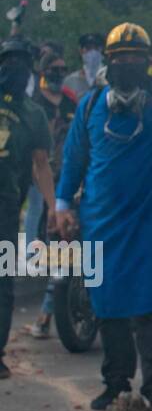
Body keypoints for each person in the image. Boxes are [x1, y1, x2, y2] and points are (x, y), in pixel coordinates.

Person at [55, 0, 152, 411]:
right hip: (101, 226)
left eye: (136, 58)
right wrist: (63, 206)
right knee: (110, 308)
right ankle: (115, 384)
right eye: (120, 58)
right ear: (108, 62)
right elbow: (73, 160)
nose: (128, 65)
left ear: (149, 62)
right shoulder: (89, 106)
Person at [0, 38, 56, 379]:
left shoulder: (33, 112)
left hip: (6, 207)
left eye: (21, 62)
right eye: (8, 61)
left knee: (3, 281)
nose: (14, 68)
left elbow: (41, 164)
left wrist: (53, 207)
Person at [24, 51, 77, 339]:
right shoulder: (35, 105)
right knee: (49, 242)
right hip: (42, 180)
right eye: (54, 69)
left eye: (63, 68)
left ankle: (46, 313)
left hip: (68, 182)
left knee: (64, 246)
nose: (59, 73)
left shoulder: (71, 103)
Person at [62, 33, 105, 101]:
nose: (92, 52)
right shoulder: (70, 81)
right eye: (88, 48)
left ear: (102, 50)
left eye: (96, 48)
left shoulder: (110, 77)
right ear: (81, 51)